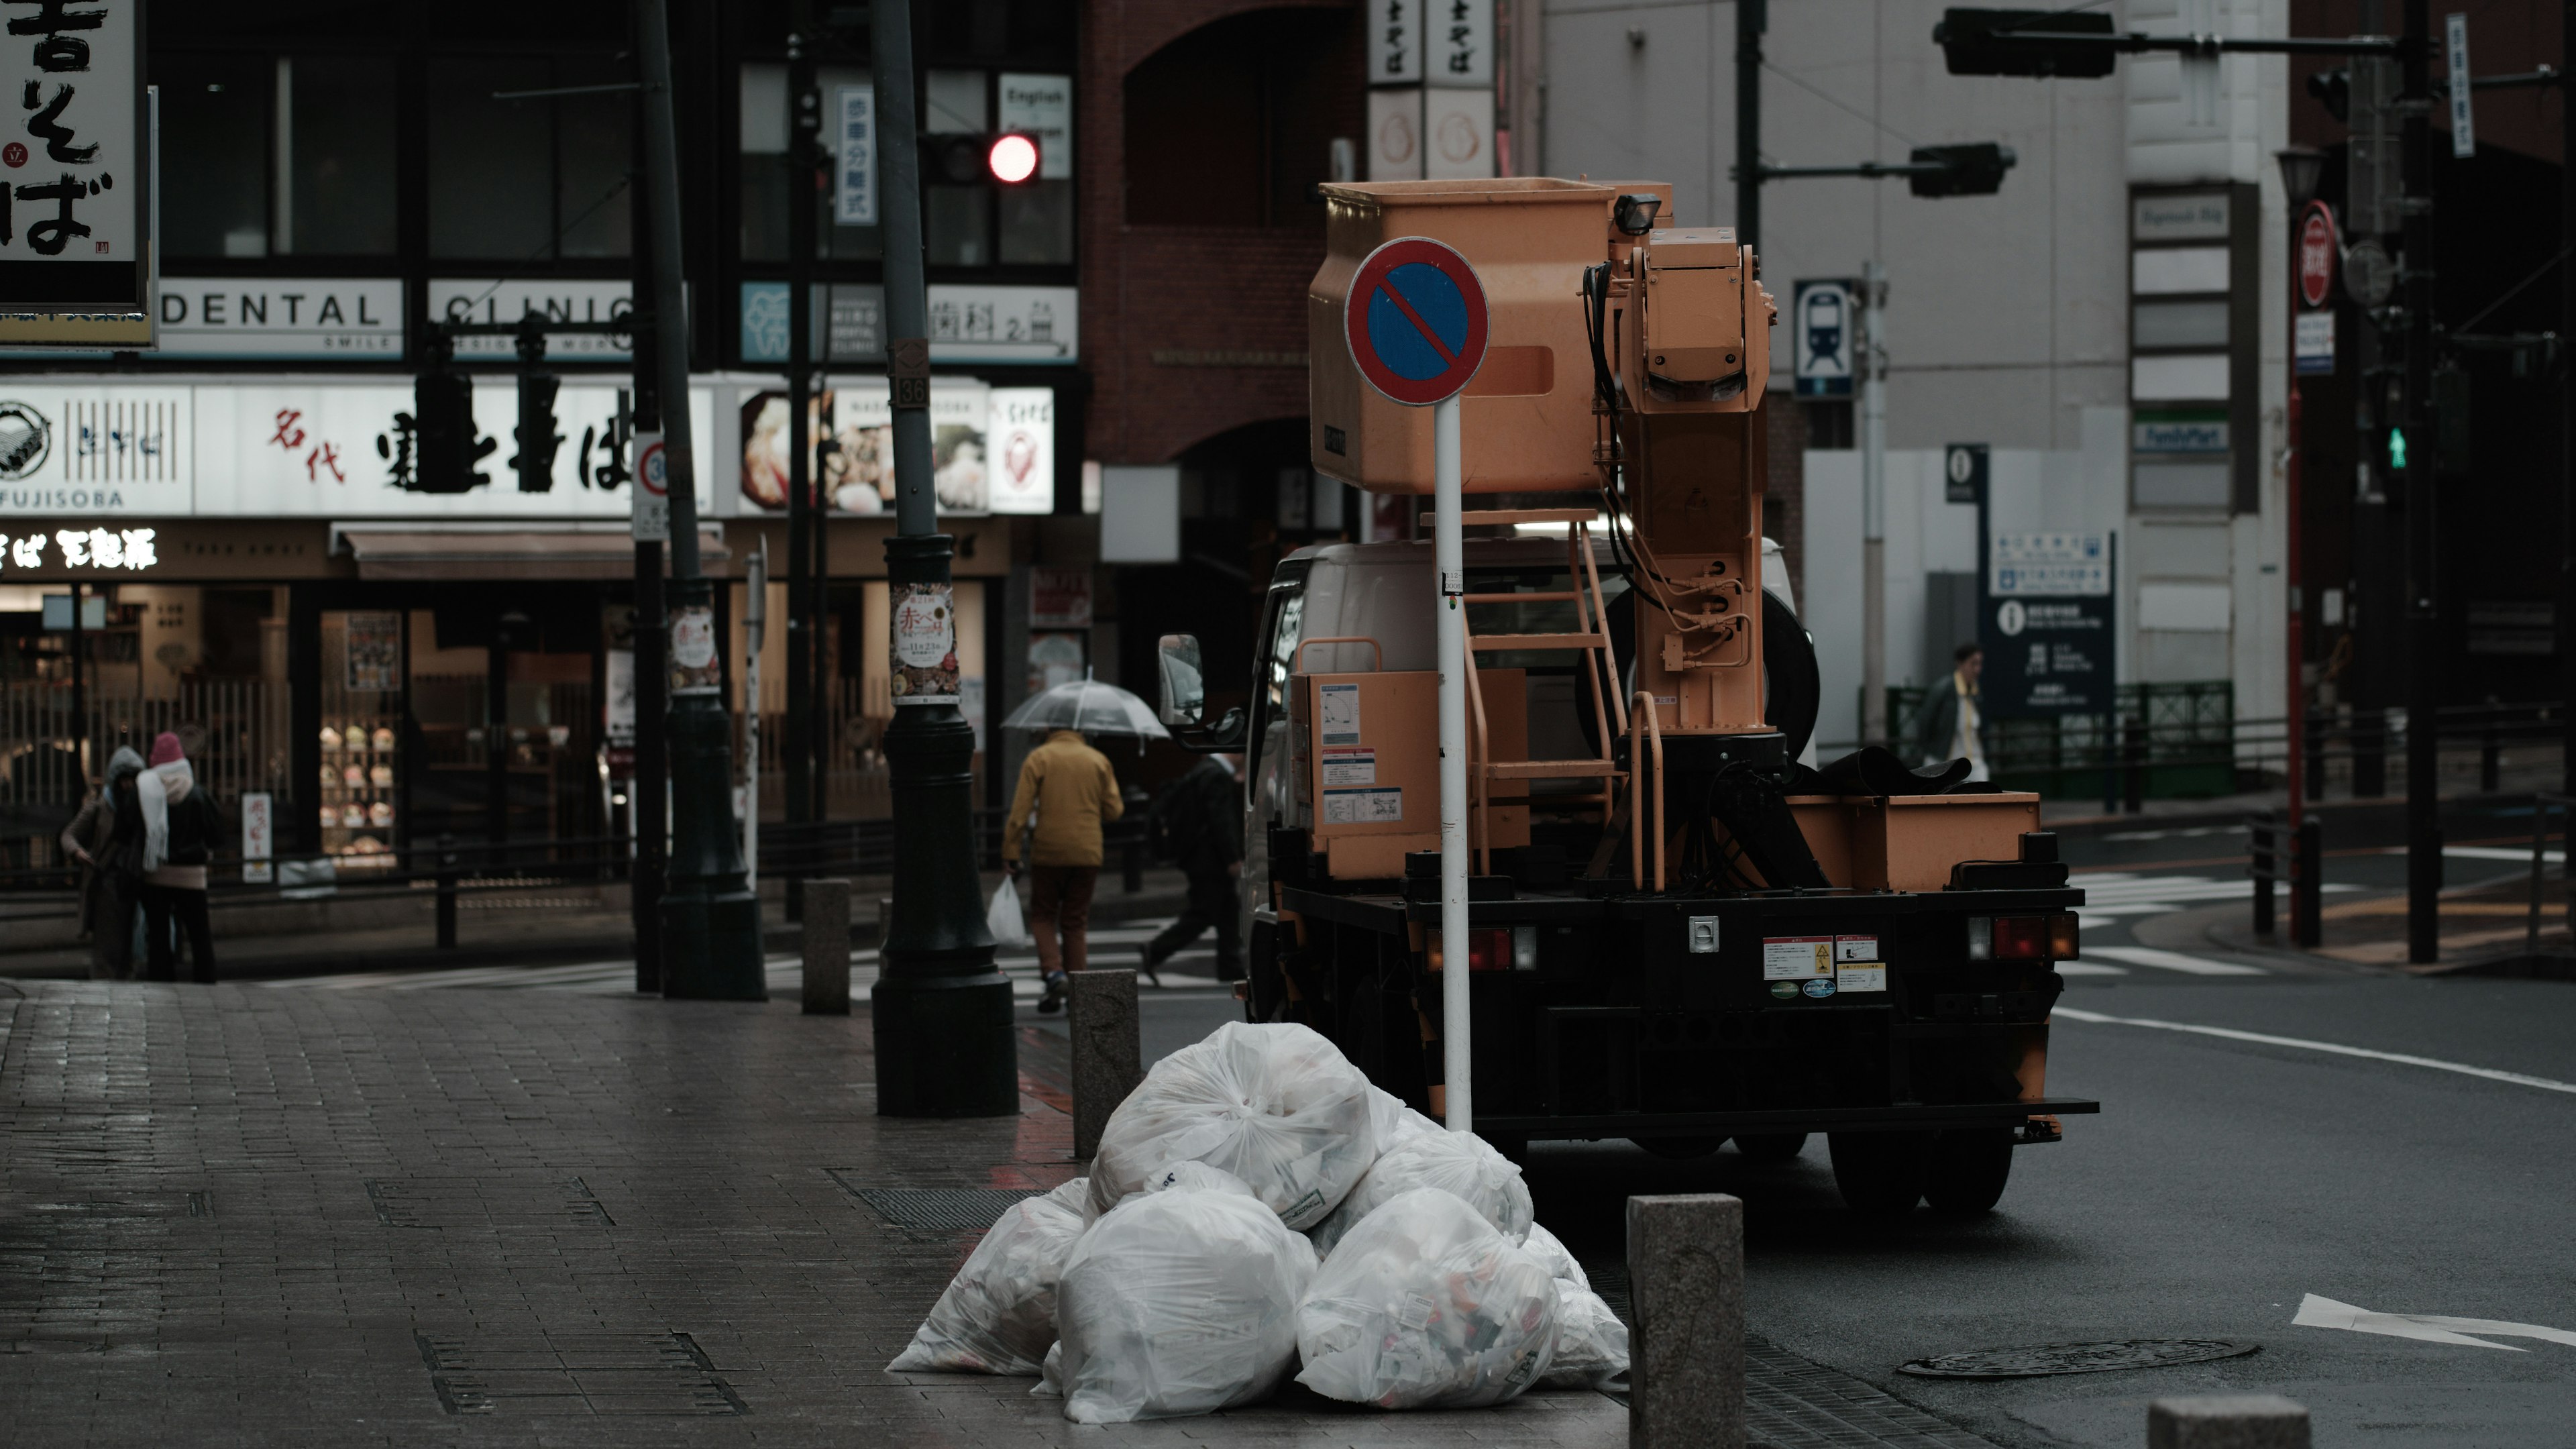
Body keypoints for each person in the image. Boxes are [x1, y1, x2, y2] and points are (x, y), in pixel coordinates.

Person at [1002, 727, 1124, 1015]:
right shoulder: (1097, 760)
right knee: (1075, 921)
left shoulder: (1039, 758)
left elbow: (1019, 813)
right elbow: (1114, 810)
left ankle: (1054, 973)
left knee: (1043, 914)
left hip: (1048, 851)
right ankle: (1078, 994)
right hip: (1087, 851)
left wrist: (1010, 852)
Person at [1142, 753, 1244, 985]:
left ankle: (1231, 967)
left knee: (1228, 911)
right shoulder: (1217, 776)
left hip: (1198, 855)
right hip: (1209, 859)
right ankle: (1157, 949)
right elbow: (1221, 820)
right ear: (1237, 755)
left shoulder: (1203, 770)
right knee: (1204, 912)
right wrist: (1232, 857)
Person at [137, 732, 223, 983]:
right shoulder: (197, 794)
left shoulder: (146, 791)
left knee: (159, 937)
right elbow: (216, 834)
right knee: (199, 936)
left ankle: (162, 980)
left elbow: (131, 830)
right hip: (191, 877)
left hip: (156, 875)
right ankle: (205, 982)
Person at [58, 746, 146, 981]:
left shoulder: (144, 806)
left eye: (133, 780)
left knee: (131, 949)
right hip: (107, 885)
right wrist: (77, 852)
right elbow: (69, 835)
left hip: (135, 884)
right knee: (107, 949)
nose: (128, 786)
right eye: (123, 780)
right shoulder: (99, 807)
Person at [1911, 643, 1990, 783]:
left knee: (1983, 797)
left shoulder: (1976, 692)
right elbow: (1925, 723)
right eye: (1973, 664)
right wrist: (1933, 751)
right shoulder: (1943, 689)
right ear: (1960, 664)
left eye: (1980, 664)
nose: (1978, 669)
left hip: (1974, 762)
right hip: (1944, 761)